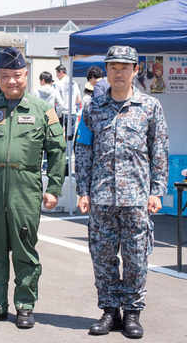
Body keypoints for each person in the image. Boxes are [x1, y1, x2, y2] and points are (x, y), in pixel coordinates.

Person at [0, 47, 66, 329]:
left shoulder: (43, 110)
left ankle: (25, 306)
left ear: (26, 75)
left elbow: (58, 150)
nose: (11, 81)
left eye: (17, 76)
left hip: (26, 189)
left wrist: (54, 187)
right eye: (5, 76)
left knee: (24, 250)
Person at [75, 45, 169, 339]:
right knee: (102, 258)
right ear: (106, 71)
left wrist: (157, 191)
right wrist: (83, 190)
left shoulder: (150, 107)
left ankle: (132, 313)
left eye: (124, 67)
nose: (118, 72)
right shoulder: (93, 108)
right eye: (113, 67)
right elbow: (83, 149)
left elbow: (160, 150)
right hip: (101, 197)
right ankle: (109, 312)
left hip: (137, 198)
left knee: (136, 258)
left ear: (136, 70)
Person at [53, 64, 82, 140]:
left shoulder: (58, 84)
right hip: (72, 113)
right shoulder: (75, 84)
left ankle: (61, 151)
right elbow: (79, 100)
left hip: (61, 113)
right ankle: (69, 151)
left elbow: (56, 100)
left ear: (61, 72)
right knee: (70, 138)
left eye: (57, 73)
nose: (56, 75)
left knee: (59, 136)